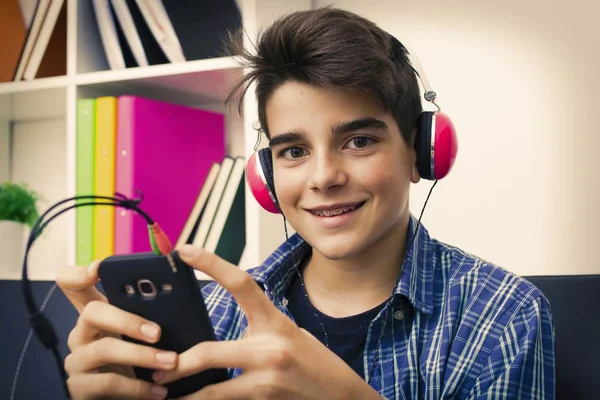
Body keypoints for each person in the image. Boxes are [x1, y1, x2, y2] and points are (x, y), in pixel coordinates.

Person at [56, 6, 555, 400]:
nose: (323, 177)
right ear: (267, 177)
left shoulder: (503, 315)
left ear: (423, 152)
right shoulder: (213, 315)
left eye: (359, 141)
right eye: (293, 151)